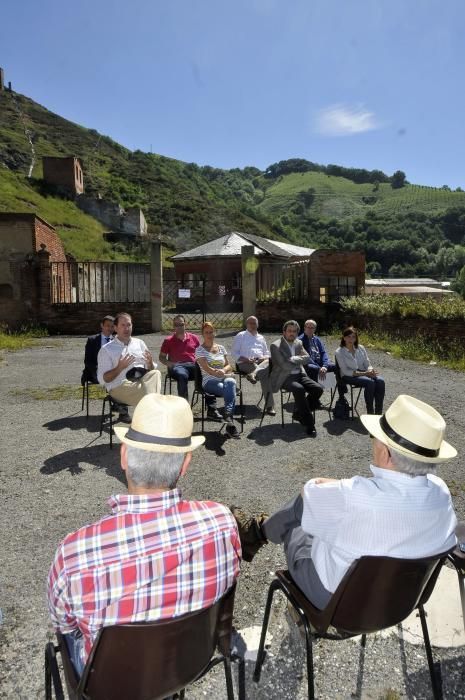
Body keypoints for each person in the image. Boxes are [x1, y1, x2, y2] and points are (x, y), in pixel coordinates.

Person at [47, 394, 241, 675]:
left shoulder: (75, 553)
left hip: (111, 682)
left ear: (123, 457)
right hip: (188, 663)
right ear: (185, 464)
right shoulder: (222, 521)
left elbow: (63, 625)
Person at [236, 394, 458, 610]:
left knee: (300, 521)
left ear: (386, 454)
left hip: (338, 605)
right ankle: (256, 533)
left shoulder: (354, 496)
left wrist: (339, 486)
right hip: (401, 602)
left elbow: (309, 491)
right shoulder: (441, 492)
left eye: (374, 438)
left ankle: (256, 534)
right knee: (324, 516)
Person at [97, 312, 161, 423]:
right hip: (120, 386)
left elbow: (151, 371)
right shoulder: (107, 349)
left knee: (156, 373)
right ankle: (152, 418)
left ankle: (149, 415)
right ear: (115, 328)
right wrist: (119, 367)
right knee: (150, 396)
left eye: (129, 325)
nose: (126, 328)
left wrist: (150, 364)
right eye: (123, 325)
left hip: (141, 383)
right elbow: (103, 379)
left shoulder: (140, 343)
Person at [158, 315, 220, 418]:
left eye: (181, 324)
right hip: (177, 366)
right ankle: (184, 409)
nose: (179, 327)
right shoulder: (168, 340)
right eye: (176, 325)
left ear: (185, 324)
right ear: (173, 326)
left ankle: (212, 409)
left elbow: (201, 353)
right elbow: (161, 357)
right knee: (182, 375)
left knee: (207, 371)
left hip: (192, 365)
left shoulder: (193, 338)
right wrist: (171, 364)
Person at [270, 320, 323, 437]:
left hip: (299, 374)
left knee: (318, 389)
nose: (292, 333)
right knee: (299, 389)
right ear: (284, 332)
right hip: (285, 377)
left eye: (294, 331)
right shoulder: (275, 345)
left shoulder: (298, 342)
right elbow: (284, 365)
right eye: (289, 331)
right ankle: (309, 424)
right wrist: (298, 359)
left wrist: (292, 359)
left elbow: (307, 358)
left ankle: (299, 413)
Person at [195, 322, 239, 438]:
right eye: (207, 332)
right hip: (209, 381)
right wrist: (217, 373)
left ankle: (229, 418)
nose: (209, 334)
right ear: (202, 334)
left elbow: (229, 366)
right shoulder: (199, 350)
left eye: (211, 332)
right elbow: (206, 368)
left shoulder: (221, 348)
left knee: (231, 382)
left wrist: (223, 371)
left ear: (215, 332)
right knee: (231, 388)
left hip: (224, 378)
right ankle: (230, 421)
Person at [231, 315, 275, 416]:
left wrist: (262, 358)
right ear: (246, 324)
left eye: (254, 323)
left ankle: (253, 374)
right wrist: (246, 359)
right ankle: (270, 406)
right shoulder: (241, 335)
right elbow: (234, 353)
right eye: (250, 323)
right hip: (244, 363)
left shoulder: (261, 337)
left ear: (257, 325)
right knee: (265, 375)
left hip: (260, 362)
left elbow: (267, 354)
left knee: (269, 361)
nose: (252, 325)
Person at [335, 326, 385, 415]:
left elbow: (367, 363)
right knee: (370, 383)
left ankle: (378, 413)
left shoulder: (360, 348)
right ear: (344, 337)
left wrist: (370, 371)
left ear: (356, 338)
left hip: (363, 372)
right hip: (348, 376)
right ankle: (370, 412)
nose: (351, 339)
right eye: (348, 336)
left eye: (353, 337)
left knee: (380, 381)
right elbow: (346, 371)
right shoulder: (339, 352)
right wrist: (366, 373)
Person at [80, 315, 115, 385]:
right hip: (95, 372)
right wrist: (98, 370)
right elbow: (87, 361)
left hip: (112, 372)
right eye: (108, 326)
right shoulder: (92, 340)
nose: (110, 329)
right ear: (102, 325)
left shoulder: (116, 341)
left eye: (112, 326)